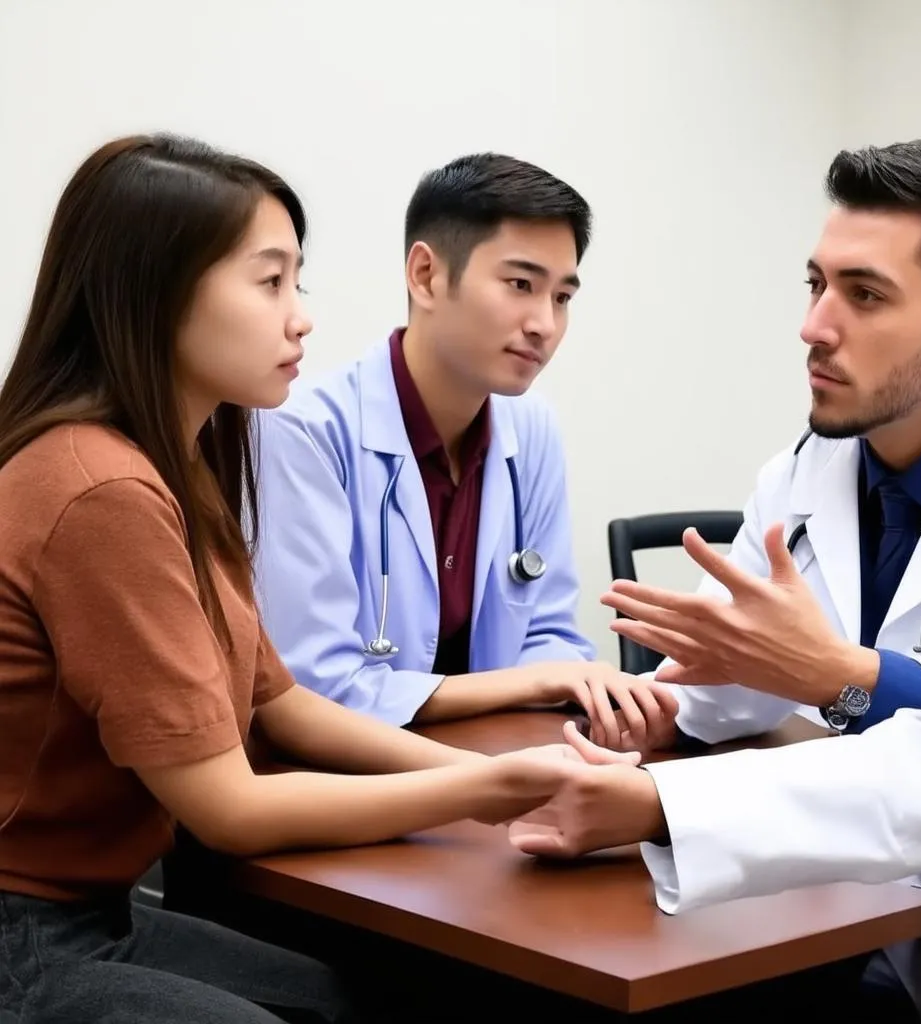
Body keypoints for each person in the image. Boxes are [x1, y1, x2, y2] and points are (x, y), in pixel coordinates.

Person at [0, 134, 638, 1024]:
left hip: (91, 912)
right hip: (24, 931)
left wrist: (513, 772)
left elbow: (283, 702)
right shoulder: (100, 487)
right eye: (271, 284)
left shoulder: (181, 465)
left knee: (372, 997)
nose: (301, 316)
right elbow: (226, 808)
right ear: (154, 293)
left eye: (295, 282)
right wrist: (489, 789)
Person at [507, 140, 921, 1024]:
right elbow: (734, 682)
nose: (815, 326)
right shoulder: (803, 475)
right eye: (815, 284)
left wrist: (664, 801)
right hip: (860, 924)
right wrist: (665, 707)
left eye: (863, 296)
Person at [253, 152, 678, 743]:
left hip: (492, 764)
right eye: (521, 284)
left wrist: (570, 684)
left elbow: (551, 632)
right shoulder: (304, 431)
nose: (544, 325)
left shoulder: (530, 428)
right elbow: (317, 686)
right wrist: (536, 683)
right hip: (339, 780)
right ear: (426, 275)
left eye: (562, 298)